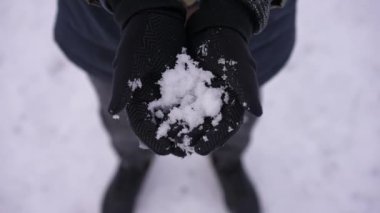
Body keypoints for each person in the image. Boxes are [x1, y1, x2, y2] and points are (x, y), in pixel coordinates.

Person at [54, 0, 296, 212]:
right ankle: (132, 163)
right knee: (124, 119)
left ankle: (229, 161)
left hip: (246, 37)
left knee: (236, 116)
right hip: (108, 31)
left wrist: (236, 10)